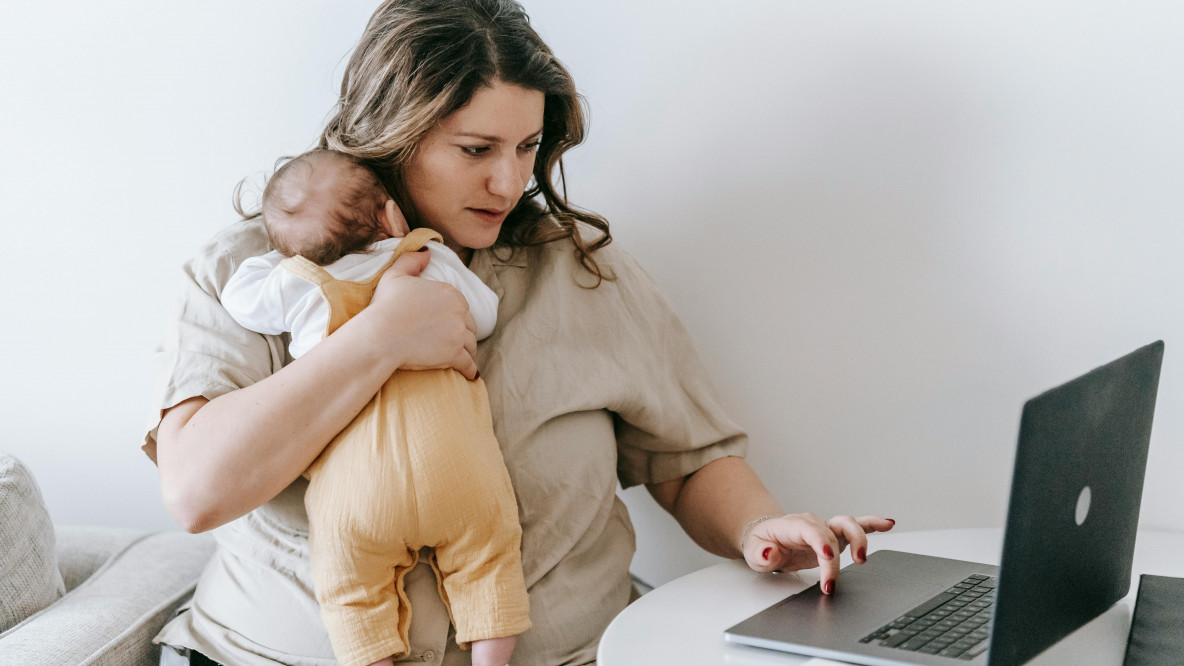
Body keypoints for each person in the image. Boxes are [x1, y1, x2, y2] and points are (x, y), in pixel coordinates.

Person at [145, 1, 895, 664]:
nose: (509, 183)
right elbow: (197, 491)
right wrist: (378, 341)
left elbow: (686, 460)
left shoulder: (579, 273)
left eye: (527, 148)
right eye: (476, 150)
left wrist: (761, 528)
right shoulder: (253, 274)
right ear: (390, 134)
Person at [219, 148, 528, 666]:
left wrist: (285, 254)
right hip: (455, 467)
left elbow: (240, 296)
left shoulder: (301, 285)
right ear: (390, 214)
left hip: (356, 492)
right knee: (489, 560)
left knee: (351, 592)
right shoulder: (427, 258)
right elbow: (485, 315)